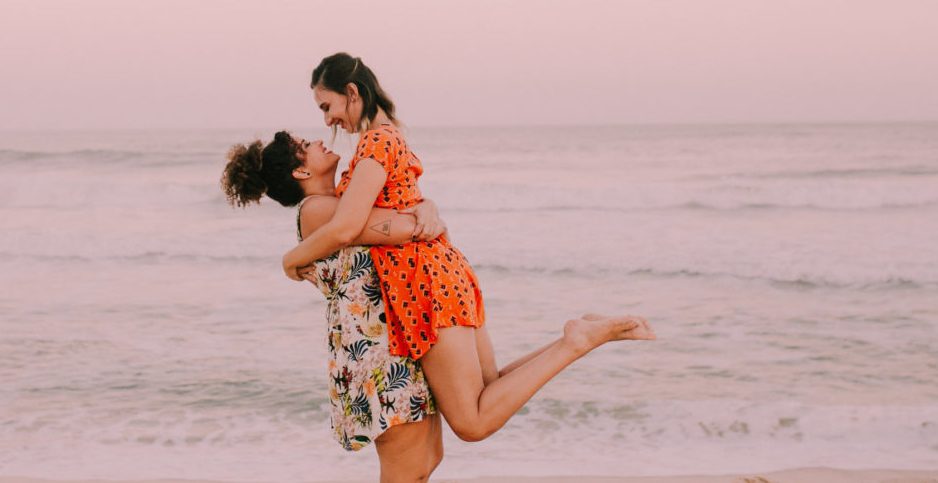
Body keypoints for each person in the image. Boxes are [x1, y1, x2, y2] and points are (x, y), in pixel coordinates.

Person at [281, 52, 656, 445]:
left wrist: (291, 259)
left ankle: (576, 341)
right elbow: (397, 207)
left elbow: (344, 227)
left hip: (421, 281)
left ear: (352, 93)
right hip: (444, 271)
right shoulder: (390, 136)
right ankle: (580, 334)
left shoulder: (375, 141)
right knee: (489, 388)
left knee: (472, 422)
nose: (327, 120)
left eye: (327, 106)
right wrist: (427, 208)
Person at [222, 132, 444, 483]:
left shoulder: (340, 204)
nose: (317, 142)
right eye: (305, 146)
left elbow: (408, 213)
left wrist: (427, 206)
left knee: (427, 461)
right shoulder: (318, 210)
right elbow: (404, 227)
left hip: (389, 343)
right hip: (377, 355)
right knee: (408, 472)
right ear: (300, 172)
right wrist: (425, 212)